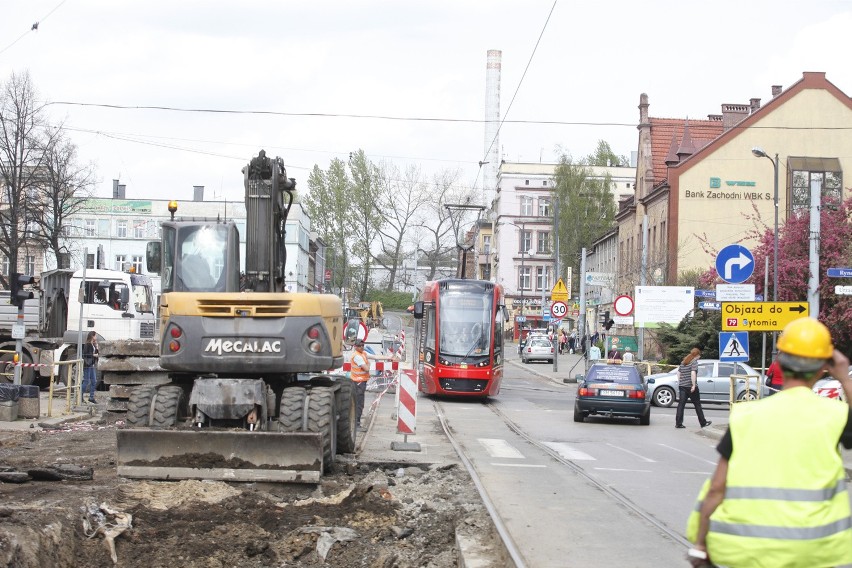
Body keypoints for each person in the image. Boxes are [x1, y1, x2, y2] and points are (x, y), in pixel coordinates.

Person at [687, 318, 852, 567]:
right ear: (823, 368)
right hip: (812, 552)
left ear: (780, 365)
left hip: (745, 551)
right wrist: (844, 377)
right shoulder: (836, 416)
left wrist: (700, 545)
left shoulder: (745, 416)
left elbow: (717, 488)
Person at [350, 339, 396, 432]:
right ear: (355, 347)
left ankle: (357, 423)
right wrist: (368, 364)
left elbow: (375, 356)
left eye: (363, 345)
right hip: (358, 382)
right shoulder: (357, 356)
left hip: (361, 382)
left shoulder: (363, 353)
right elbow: (366, 368)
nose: (362, 347)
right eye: (359, 346)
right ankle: (357, 424)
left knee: (359, 403)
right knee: (359, 404)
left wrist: (388, 357)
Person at [675, 346, 711, 429]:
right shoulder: (694, 362)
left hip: (682, 386)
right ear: (697, 355)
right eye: (699, 355)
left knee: (681, 405)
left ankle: (678, 423)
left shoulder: (684, 362)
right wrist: (693, 385)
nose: (700, 357)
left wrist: (680, 381)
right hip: (690, 387)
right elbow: (693, 373)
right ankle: (703, 422)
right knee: (697, 405)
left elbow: (678, 373)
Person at [81, 331, 99, 404]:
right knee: (86, 381)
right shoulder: (87, 344)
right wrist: (94, 355)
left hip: (91, 365)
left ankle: (91, 397)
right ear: (92, 336)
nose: (96, 337)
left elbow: (96, 353)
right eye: (95, 336)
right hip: (87, 365)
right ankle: (80, 396)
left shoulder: (93, 344)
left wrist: (97, 347)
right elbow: (86, 354)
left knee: (94, 381)